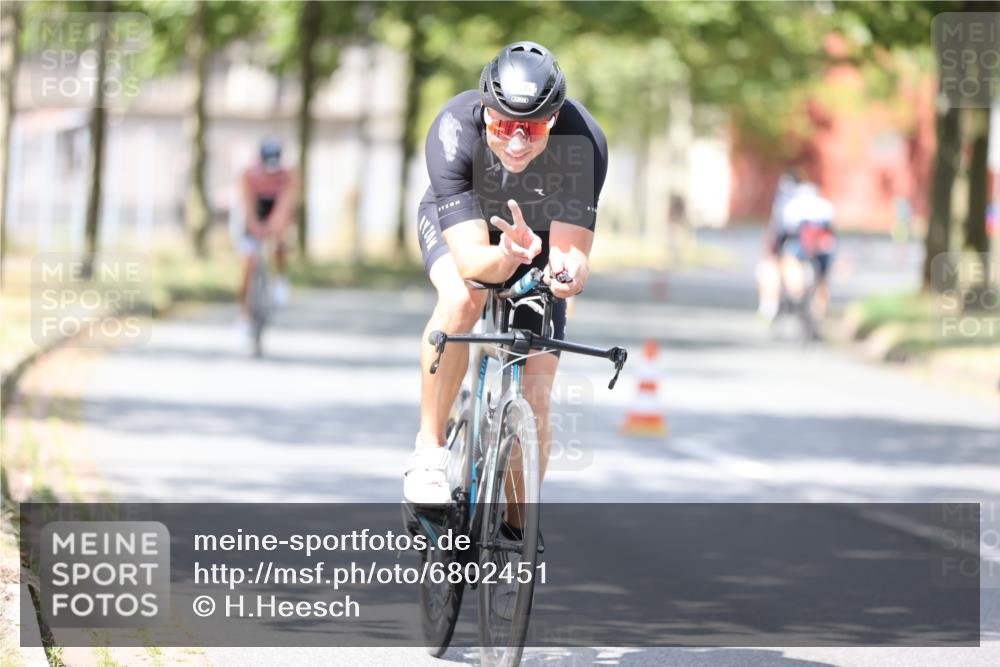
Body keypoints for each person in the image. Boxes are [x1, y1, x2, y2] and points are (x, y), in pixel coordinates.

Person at [403, 41, 608, 537]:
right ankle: (429, 451)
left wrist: (565, 275)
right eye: (504, 126)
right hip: (469, 225)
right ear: (484, 112)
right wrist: (506, 256)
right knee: (463, 297)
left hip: (536, 234)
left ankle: (514, 536)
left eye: (533, 128)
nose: (517, 143)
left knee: (537, 387)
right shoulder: (453, 129)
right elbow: (473, 261)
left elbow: (571, 255)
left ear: (555, 120)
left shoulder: (585, 143)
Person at [236, 138, 298, 341]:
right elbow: (247, 205)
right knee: (248, 264)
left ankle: (280, 279)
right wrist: (255, 226)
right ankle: (245, 317)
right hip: (254, 213)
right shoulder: (248, 175)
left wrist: (274, 227)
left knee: (281, 242)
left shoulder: (287, 176)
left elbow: (284, 206)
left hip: (275, 213)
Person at [779, 182, 836, 323]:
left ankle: (796, 295)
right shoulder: (826, 206)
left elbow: (785, 232)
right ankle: (819, 315)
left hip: (800, 245)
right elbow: (831, 232)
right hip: (821, 247)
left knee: (789, 261)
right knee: (823, 281)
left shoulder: (792, 206)